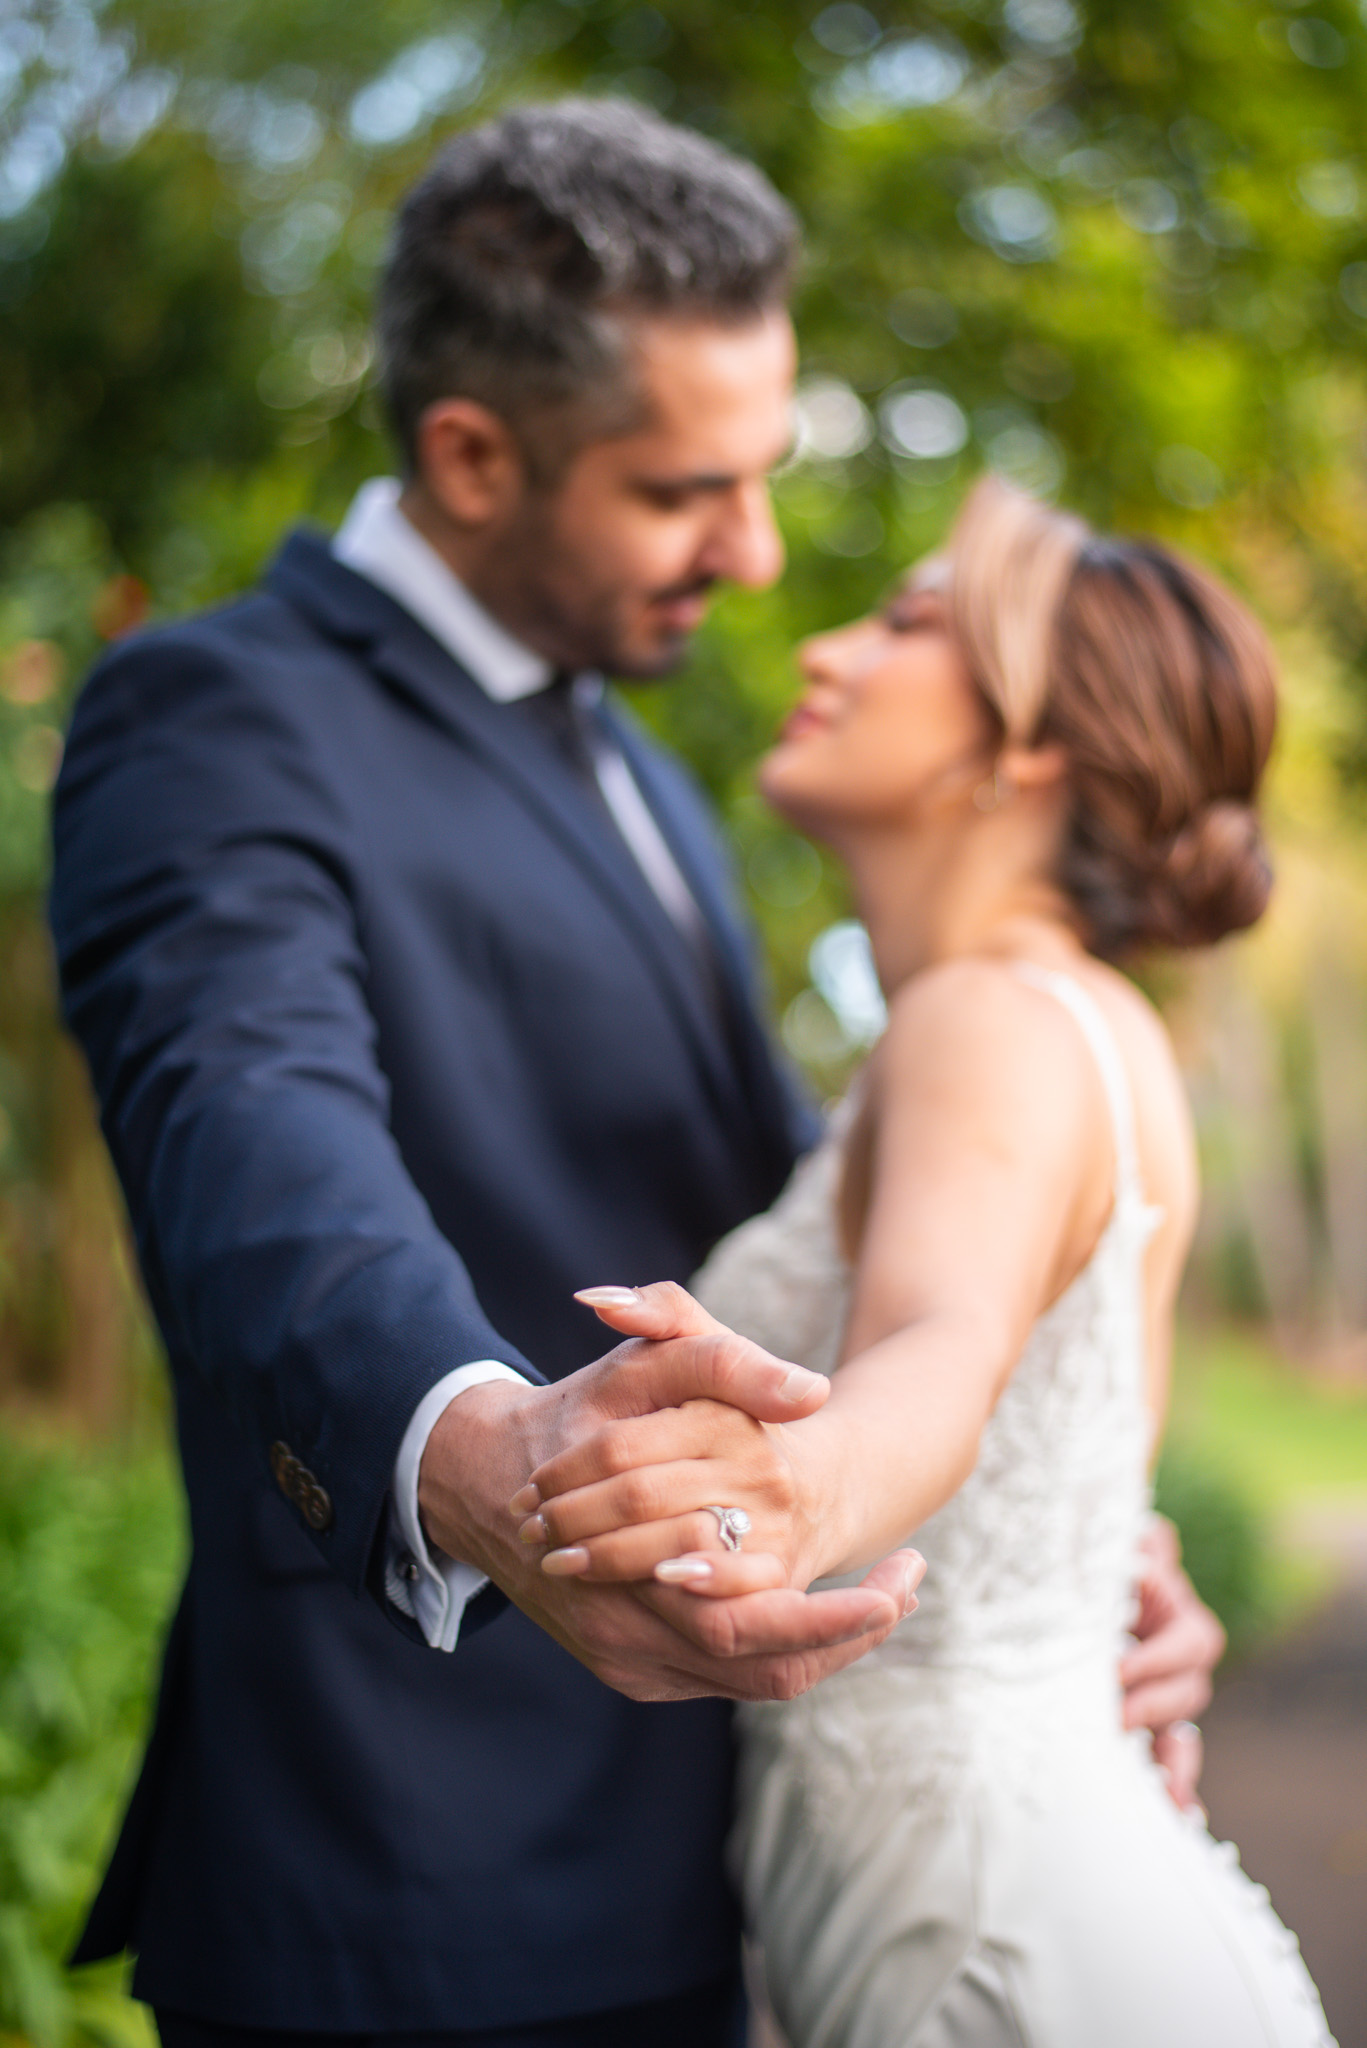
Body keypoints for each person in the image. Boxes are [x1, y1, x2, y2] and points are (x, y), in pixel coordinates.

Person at [53, 100, 1220, 2048]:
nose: (753, 556)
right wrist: (482, 1457)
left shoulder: (656, 776)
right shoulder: (219, 715)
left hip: (694, 1868)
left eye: (763, 480)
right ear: (473, 454)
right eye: (687, 492)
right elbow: (251, 1145)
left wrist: (1075, 1524)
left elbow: (814, 1240)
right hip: (411, 1888)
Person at [516, 480, 1336, 2044]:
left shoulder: (991, 1018)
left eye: (902, 625)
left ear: (1028, 744)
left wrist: (796, 1498)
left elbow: (943, 1349)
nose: (824, 646)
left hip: (997, 1946)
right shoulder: (1083, 1025)